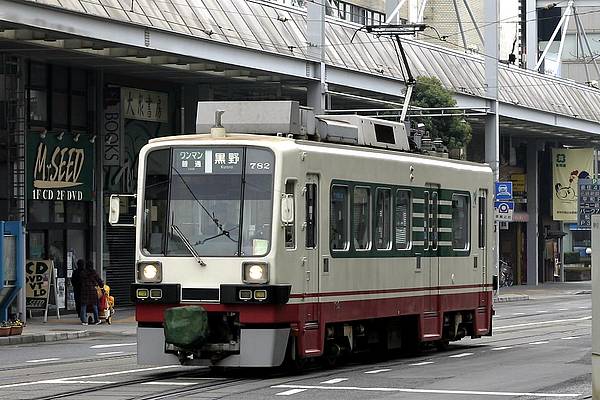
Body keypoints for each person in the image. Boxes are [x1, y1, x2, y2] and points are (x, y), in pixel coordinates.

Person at [79, 260, 103, 325]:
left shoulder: (82, 273)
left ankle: (84, 321)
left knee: (83, 305)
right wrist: (102, 286)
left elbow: (79, 282)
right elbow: (99, 280)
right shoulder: (94, 272)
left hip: (84, 290)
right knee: (94, 305)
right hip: (92, 290)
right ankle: (96, 320)